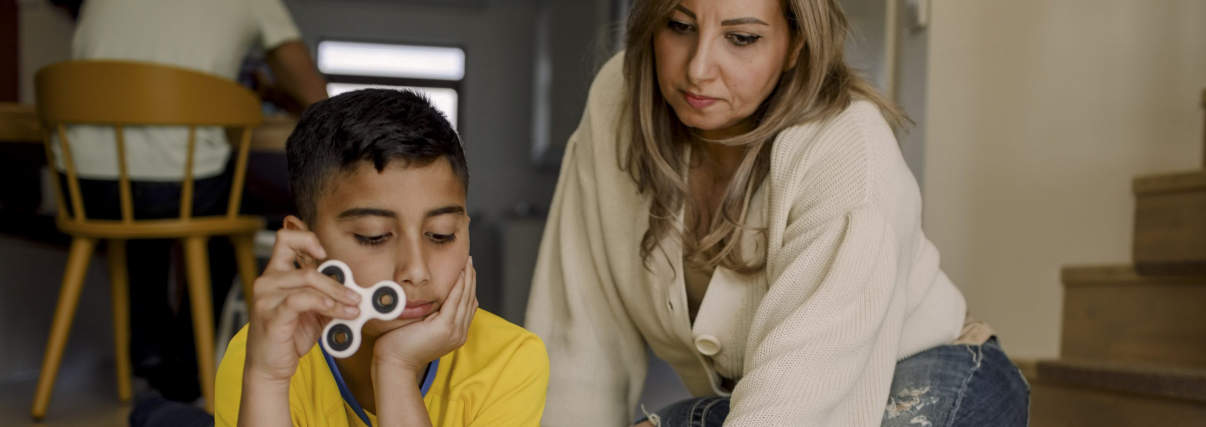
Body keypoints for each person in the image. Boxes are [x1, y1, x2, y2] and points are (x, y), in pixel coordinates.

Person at [525, 0, 1029, 426]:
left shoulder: (849, 151)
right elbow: (580, 340)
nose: (699, 68)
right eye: (679, 26)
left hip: (936, 370)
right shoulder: (617, 103)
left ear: (795, 45)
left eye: (741, 38)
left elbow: (801, 392)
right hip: (773, 391)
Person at [214, 89, 549, 426]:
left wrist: (395, 368)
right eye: (373, 236)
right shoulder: (267, 354)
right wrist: (268, 380)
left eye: (441, 234)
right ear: (305, 251)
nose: (416, 270)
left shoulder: (510, 359)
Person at [55, 0, 328, 401]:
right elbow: (318, 100)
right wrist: (276, 94)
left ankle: (149, 349)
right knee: (228, 218)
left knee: (137, 217)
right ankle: (188, 366)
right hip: (178, 183)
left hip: (84, 184)